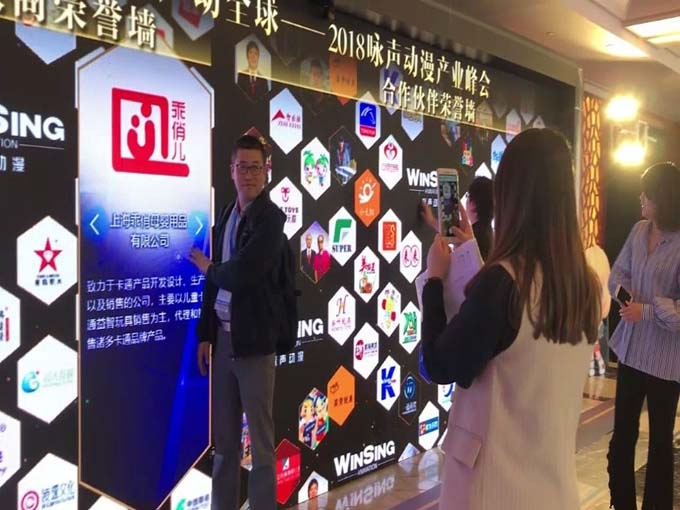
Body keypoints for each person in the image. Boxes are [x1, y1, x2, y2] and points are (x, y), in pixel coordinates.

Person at [421, 128, 602, 510]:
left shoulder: (504, 283)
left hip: (491, 489)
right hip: (553, 490)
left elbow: (439, 364)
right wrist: (471, 253)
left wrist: (434, 281)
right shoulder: (584, 284)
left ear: (511, 195)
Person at [189, 135, 286, 510]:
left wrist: (208, 268)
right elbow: (213, 287)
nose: (249, 174)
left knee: (261, 446)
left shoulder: (271, 219)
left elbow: (245, 272)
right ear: (231, 171)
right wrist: (205, 334)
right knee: (225, 444)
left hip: (255, 345)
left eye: (255, 167)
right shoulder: (227, 214)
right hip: (223, 341)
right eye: (242, 167)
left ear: (266, 172)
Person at [606, 162, 680, 510]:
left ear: (662, 199)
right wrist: (625, 296)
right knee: (622, 436)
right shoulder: (638, 230)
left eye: (646, 194)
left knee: (660, 444)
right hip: (631, 350)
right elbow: (617, 274)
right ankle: (621, 503)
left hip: (665, 361)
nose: (640, 199)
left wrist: (646, 311)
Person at [420, 175, 494, 260]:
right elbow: (451, 232)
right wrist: (432, 221)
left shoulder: (473, 239)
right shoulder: (490, 234)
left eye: (468, 196)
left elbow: (453, 233)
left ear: (473, 204)